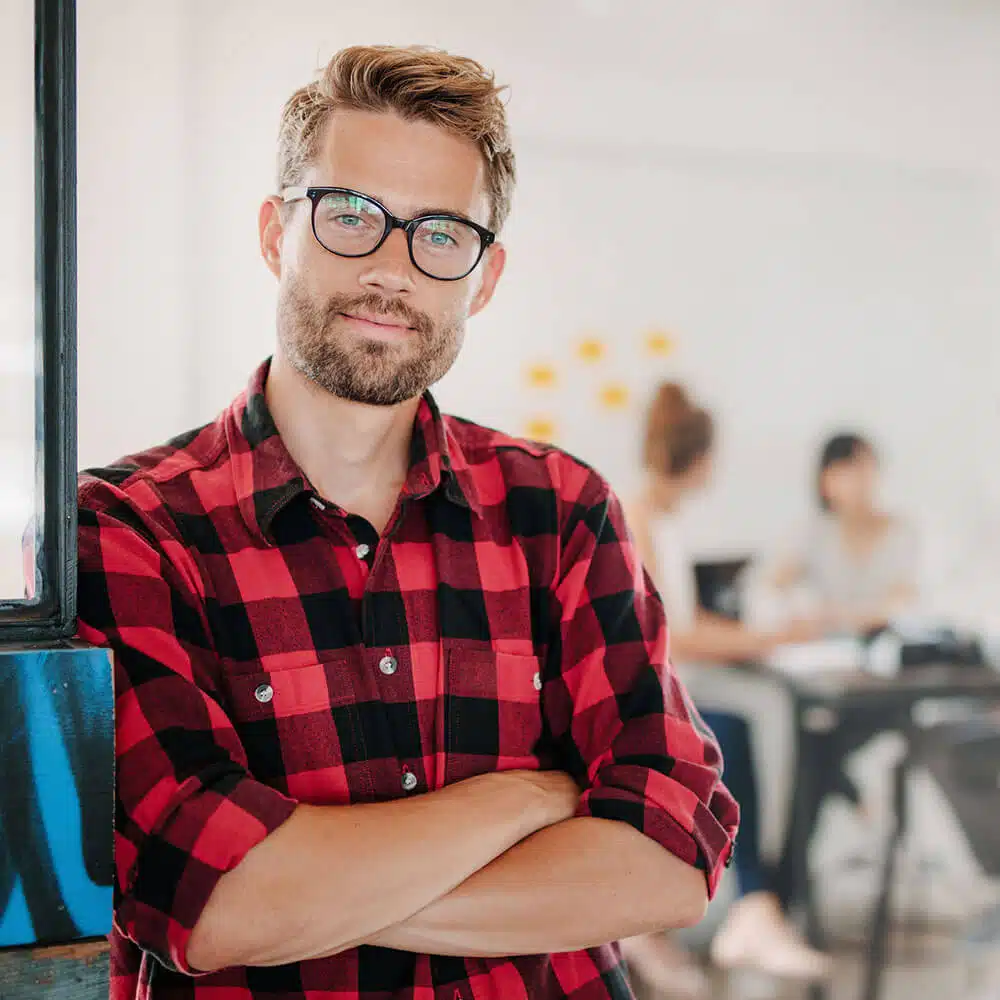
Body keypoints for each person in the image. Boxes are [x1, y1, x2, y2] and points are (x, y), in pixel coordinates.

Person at [75, 47, 738, 1000]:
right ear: (275, 234)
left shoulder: (562, 511)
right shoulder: (129, 531)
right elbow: (210, 903)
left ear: (485, 275)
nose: (392, 269)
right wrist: (528, 798)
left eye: (440, 233)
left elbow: (671, 857)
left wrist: (310, 891)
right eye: (350, 216)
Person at [623, 383, 831, 993]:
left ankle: (758, 905)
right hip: (644, 699)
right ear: (701, 458)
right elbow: (675, 636)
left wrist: (769, 633)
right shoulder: (640, 517)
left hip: (674, 684)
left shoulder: (663, 519)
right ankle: (755, 906)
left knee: (765, 713)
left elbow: (686, 621)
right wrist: (771, 640)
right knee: (749, 723)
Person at [767, 432, 918, 634]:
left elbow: (904, 603)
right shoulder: (812, 531)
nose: (859, 482)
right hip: (827, 649)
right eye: (846, 471)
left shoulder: (903, 532)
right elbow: (773, 586)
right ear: (824, 481)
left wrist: (839, 617)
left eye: (864, 468)